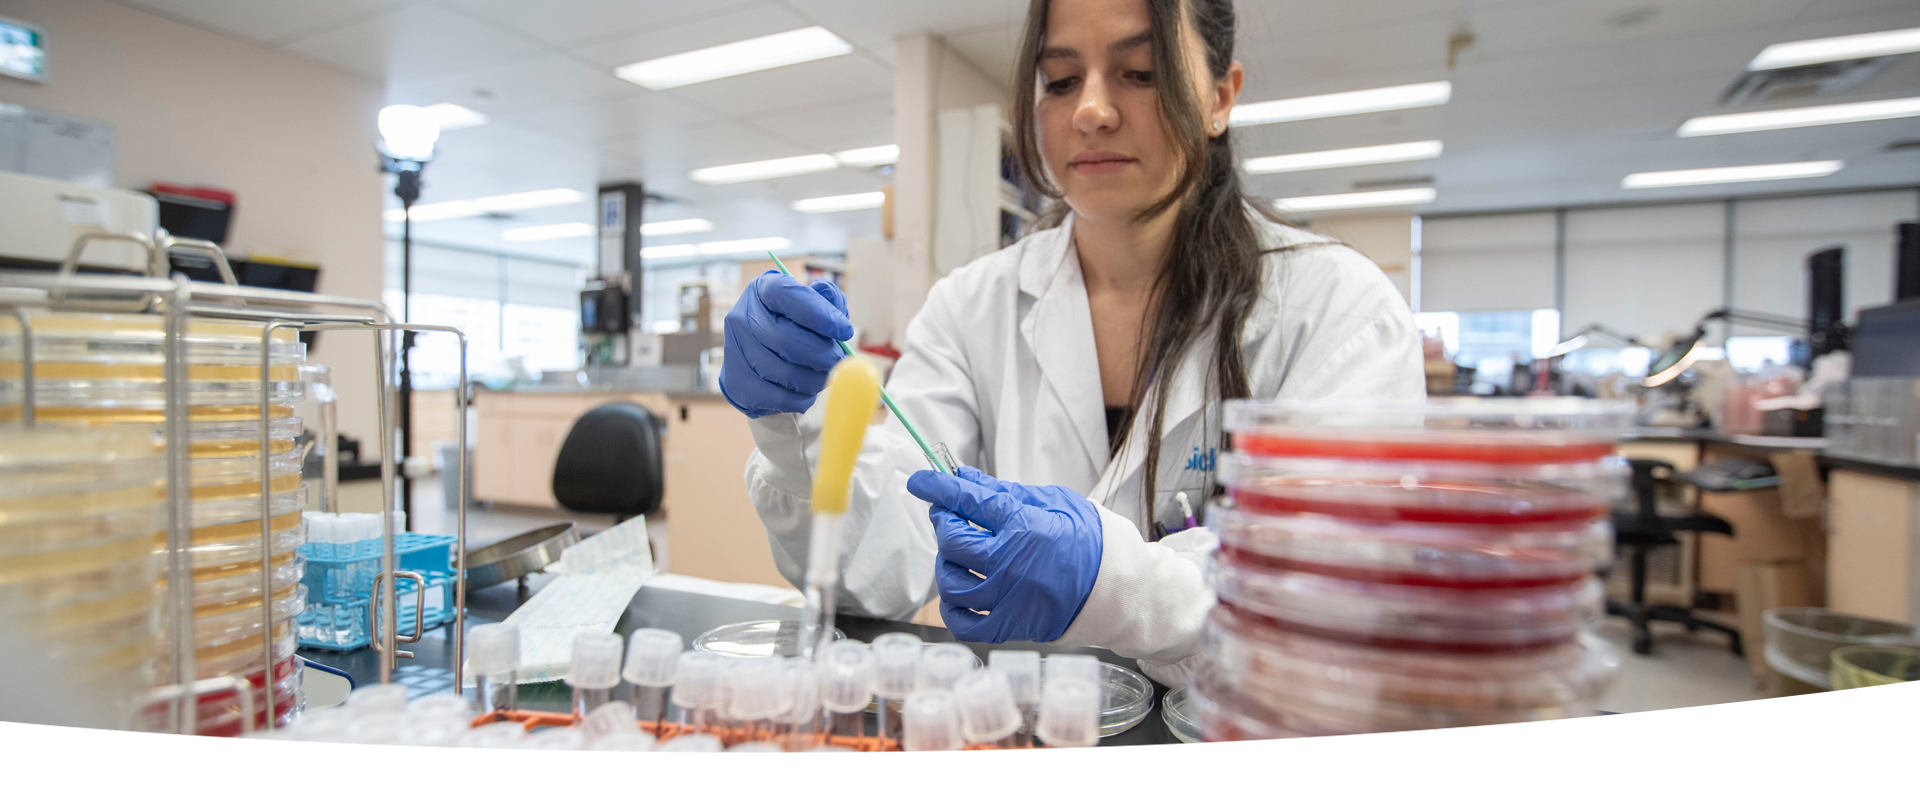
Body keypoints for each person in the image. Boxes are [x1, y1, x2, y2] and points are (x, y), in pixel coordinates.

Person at [721, 0, 1422, 686]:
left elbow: (1334, 605)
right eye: (1059, 80)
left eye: (1141, 72)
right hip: (1016, 727)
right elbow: (886, 562)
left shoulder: (1338, 311)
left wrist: (1112, 584)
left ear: (1220, 96)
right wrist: (791, 426)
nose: (1091, 109)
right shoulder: (970, 307)